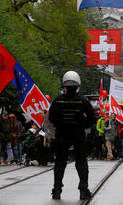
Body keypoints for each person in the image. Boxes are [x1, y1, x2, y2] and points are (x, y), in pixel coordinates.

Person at [48, 71, 95, 200]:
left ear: (64, 85)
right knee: (81, 161)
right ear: (77, 84)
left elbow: (51, 118)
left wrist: (60, 123)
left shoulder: (58, 100)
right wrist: (82, 123)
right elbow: (92, 119)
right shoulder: (83, 100)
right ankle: (83, 189)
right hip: (78, 134)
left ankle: (57, 189)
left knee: (60, 162)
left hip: (62, 134)